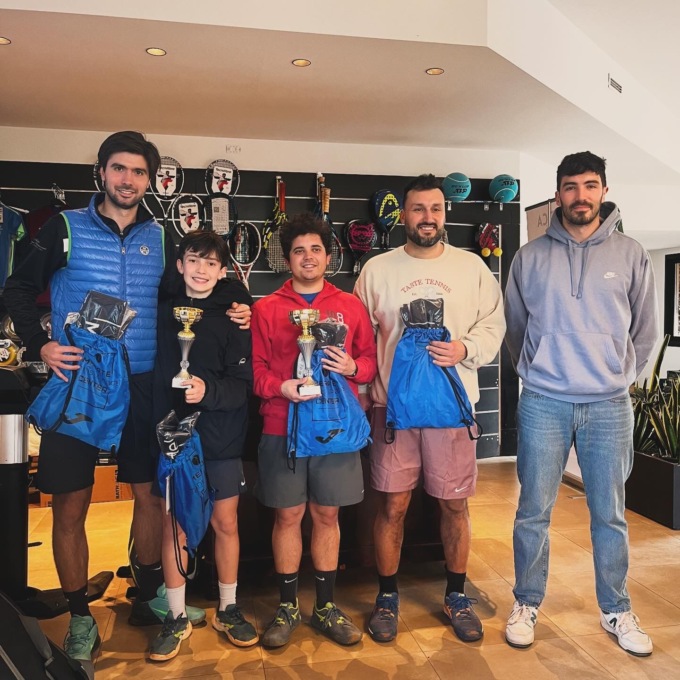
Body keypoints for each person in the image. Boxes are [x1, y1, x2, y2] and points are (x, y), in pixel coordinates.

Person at [3, 131, 249, 662]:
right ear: (101, 172)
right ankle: (80, 617)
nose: (128, 179)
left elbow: (201, 281)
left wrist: (238, 304)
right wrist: (41, 344)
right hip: (80, 384)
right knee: (70, 504)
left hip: (144, 384)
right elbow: (17, 288)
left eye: (138, 171)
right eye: (119, 168)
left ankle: (151, 594)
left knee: (151, 498)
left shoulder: (160, 238)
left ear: (149, 180)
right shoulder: (64, 227)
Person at [503, 151, 657, 657]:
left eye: (590, 185)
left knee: (610, 514)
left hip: (609, 405)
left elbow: (645, 331)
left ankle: (616, 608)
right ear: (558, 195)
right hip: (543, 401)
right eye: (571, 187)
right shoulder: (529, 257)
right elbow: (515, 328)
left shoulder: (631, 254)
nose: (581, 196)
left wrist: (618, 376)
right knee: (533, 510)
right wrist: (539, 368)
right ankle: (526, 602)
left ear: (604, 191)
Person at [354, 173, 505, 643]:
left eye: (435, 209)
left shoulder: (471, 268)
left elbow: (494, 324)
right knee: (392, 506)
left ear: (445, 213)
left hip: (451, 413)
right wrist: (363, 394)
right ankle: (387, 597)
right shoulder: (376, 269)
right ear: (404, 214)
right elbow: (361, 338)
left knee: (455, 506)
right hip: (392, 412)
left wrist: (465, 348)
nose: (427, 217)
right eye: (418, 209)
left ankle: (456, 595)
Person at [251, 212, 377, 648]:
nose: (308, 257)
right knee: (287, 516)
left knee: (327, 515)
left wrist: (353, 366)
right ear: (288, 259)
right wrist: (280, 387)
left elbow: (369, 364)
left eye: (316, 250)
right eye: (299, 250)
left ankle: (324, 606)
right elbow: (256, 372)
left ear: (328, 256)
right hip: (281, 425)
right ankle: (288, 606)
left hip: (334, 428)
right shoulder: (266, 308)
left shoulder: (351, 306)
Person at [148, 230, 256, 661]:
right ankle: (175, 616)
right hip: (174, 434)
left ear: (222, 270)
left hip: (222, 435)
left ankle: (228, 608)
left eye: (211, 263)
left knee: (225, 522)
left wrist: (207, 391)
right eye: (193, 260)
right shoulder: (163, 309)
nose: (201, 269)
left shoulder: (234, 314)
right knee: (174, 525)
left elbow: (242, 384)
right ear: (179, 265)